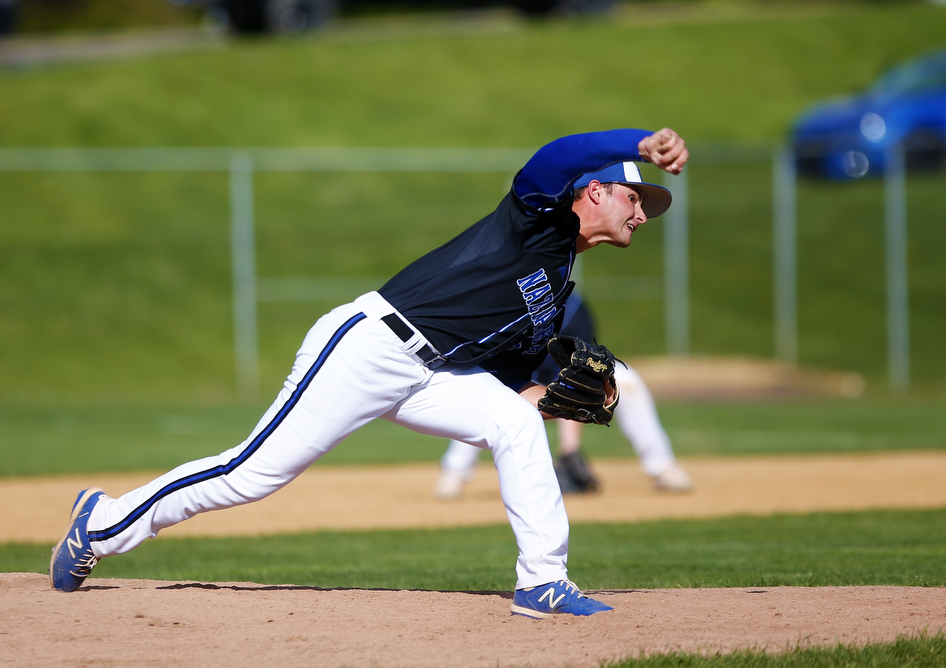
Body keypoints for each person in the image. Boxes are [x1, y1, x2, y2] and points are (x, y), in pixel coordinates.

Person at [49, 127, 689, 620]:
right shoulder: (537, 220)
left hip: (431, 374)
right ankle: (103, 521)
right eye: (635, 198)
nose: (642, 214)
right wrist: (638, 142)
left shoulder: (555, 288)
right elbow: (554, 155)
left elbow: (514, 379)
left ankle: (543, 582)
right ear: (595, 191)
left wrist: (552, 394)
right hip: (371, 347)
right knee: (252, 474)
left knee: (516, 425)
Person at [434, 293, 693, 499]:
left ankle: (662, 466)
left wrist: (570, 449)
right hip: (517, 374)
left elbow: (583, 384)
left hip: (559, 377)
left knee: (628, 380)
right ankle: (455, 470)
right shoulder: (508, 308)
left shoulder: (574, 310)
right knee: (490, 392)